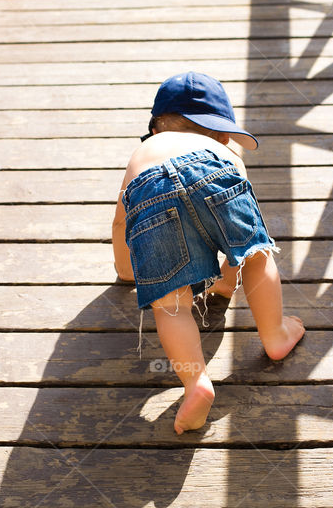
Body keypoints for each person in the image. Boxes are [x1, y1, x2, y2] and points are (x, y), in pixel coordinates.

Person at [112, 71, 305, 435]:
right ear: (222, 135)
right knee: (255, 255)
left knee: (172, 304)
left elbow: (122, 224)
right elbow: (238, 238)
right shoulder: (224, 152)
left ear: (157, 129)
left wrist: (127, 272)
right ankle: (275, 335)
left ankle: (196, 383)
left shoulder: (145, 151)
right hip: (215, 175)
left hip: (150, 191)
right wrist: (225, 284)